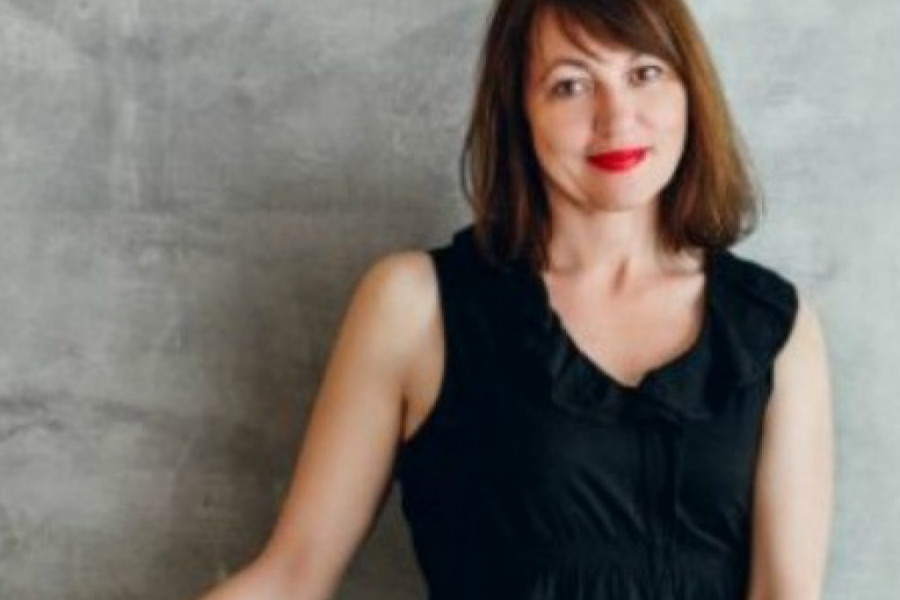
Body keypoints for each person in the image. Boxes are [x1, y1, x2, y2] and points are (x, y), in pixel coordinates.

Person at [197, 0, 833, 598]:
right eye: (571, 85)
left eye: (644, 73)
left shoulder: (774, 329)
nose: (617, 117)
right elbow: (293, 575)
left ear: (690, 89)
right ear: (518, 112)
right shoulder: (414, 305)